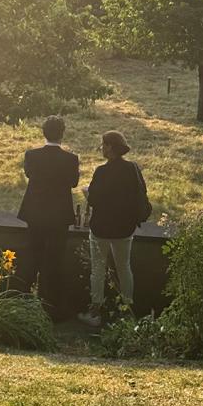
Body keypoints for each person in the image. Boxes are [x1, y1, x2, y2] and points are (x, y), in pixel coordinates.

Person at [78, 131, 149, 327]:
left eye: (103, 145)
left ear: (110, 147)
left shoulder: (102, 171)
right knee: (124, 268)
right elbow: (141, 192)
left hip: (101, 228)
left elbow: (94, 199)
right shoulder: (132, 168)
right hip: (124, 228)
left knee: (98, 269)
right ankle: (127, 312)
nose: (101, 148)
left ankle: (95, 312)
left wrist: (87, 193)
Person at [16, 116, 80, 321]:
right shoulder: (71, 159)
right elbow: (73, 182)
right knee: (55, 260)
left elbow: (28, 174)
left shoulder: (32, 155)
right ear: (62, 134)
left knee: (31, 256)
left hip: (35, 213)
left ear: (44, 133)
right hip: (59, 216)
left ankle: (22, 301)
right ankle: (52, 307)